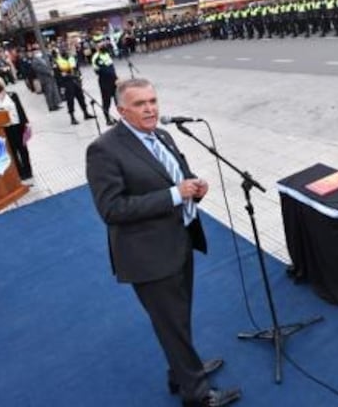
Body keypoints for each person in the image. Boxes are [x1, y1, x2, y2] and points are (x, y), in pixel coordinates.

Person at [85, 78, 240, 407]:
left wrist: (194, 189)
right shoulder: (104, 149)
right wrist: (174, 195)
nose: (150, 108)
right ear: (121, 110)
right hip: (148, 255)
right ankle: (196, 394)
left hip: (179, 240)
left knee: (178, 318)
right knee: (171, 322)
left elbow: (177, 177)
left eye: (153, 100)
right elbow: (112, 209)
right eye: (140, 104)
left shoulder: (164, 135)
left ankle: (182, 371)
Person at [0, 75, 33, 181]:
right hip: (4, 129)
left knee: (23, 149)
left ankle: (28, 171)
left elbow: (20, 109)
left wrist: (26, 123)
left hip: (17, 125)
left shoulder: (12, 95)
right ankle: (19, 172)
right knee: (12, 151)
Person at [56, 46, 95, 126]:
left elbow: (77, 68)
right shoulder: (58, 61)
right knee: (70, 101)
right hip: (67, 83)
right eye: (63, 50)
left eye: (66, 50)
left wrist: (79, 77)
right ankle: (72, 118)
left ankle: (86, 113)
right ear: (60, 52)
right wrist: (62, 86)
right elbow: (59, 75)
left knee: (81, 98)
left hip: (76, 81)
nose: (65, 51)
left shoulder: (72, 58)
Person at [91, 41, 118, 125]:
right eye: (101, 45)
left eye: (104, 45)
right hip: (104, 81)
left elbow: (111, 67)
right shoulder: (96, 57)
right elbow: (104, 70)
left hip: (113, 80)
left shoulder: (106, 54)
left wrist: (116, 78)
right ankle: (107, 119)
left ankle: (123, 117)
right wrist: (114, 77)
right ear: (97, 47)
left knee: (118, 99)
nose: (104, 46)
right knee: (106, 101)